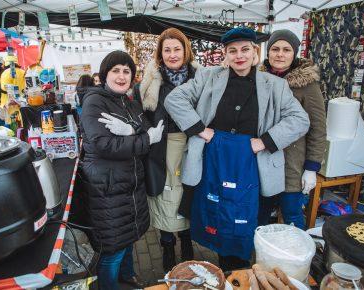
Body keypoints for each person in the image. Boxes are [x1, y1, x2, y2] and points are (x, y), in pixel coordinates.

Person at [164, 27, 310, 272]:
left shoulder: (275, 85)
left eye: (245, 50)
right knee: (217, 217)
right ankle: (229, 270)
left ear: (254, 52)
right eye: (233, 51)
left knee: (249, 223)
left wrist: (264, 141)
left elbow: (300, 120)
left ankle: (245, 270)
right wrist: (200, 128)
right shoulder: (209, 77)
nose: (239, 56)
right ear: (226, 54)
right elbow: (174, 100)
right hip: (214, 163)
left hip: (253, 166)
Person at [79, 51, 164, 290]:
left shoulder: (129, 102)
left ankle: (128, 277)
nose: (121, 75)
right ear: (105, 74)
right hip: (108, 189)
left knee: (129, 239)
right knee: (113, 249)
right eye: (116, 70)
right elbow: (103, 144)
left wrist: (131, 131)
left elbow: (146, 131)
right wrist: (142, 138)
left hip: (130, 186)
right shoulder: (94, 101)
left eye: (126, 71)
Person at [132, 28, 198, 272]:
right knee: (163, 195)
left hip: (192, 146)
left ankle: (188, 241)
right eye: (166, 50)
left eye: (176, 49)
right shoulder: (149, 82)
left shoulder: (200, 78)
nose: (172, 54)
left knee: (188, 193)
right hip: (161, 147)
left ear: (185, 50)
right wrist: (149, 134)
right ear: (160, 53)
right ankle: (168, 245)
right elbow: (141, 114)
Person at [257, 29, 327, 229]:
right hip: (264, 161)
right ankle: (260, 257)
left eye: (286, 50)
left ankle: (296, 259)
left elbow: (318, 129)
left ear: (294, 53)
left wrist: (312, 168)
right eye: (275, 49)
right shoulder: (259, 80)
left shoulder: (307, 86)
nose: (280, 54)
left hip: (292, 166)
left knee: (292, 217)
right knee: (259, 217)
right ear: (268, 52)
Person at [0, 55, 26, 125]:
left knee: (12, 126)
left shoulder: (5, 73)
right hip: (23, 102)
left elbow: (4, 88)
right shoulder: (23, 72)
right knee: (23, 124)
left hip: (9, 104)